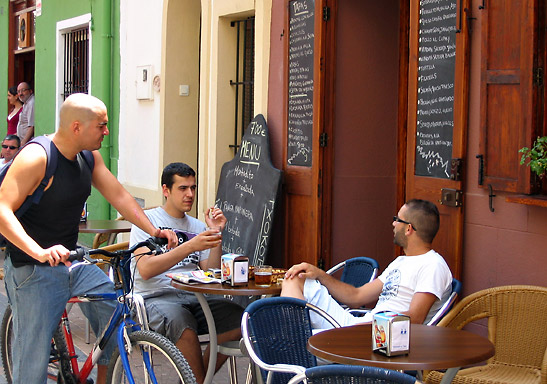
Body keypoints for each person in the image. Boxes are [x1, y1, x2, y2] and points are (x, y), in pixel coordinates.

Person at [0, 93, 177, 384]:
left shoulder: (88, 156)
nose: (107, 132)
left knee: (115, 316)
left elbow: (117, 193)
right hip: (31, 269)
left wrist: (153, 229)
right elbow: (2, 209)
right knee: (32, 362)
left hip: (72, 261)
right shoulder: (37, 157)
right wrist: (39, 251)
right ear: (76, 127)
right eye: (101, 125)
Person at [130, 162, 244, 384]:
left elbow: (210, 273)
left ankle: (197, 379)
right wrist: (189, 247)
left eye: (193, 188)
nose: (190, 194)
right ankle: (197, 380)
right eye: (183, 188)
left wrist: (214, 233)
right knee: (183, 326)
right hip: (156, 297)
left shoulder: (198, 226)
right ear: (166, 190)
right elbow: (145, 269)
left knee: (240, 319)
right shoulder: (148, 222)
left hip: (194, 296)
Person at [281, 199, 452, 329]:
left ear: (408, 229)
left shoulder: (433, 265)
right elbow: (356, 296)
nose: (393, 223)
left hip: (376, 338)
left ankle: (292, 341)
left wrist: (365, 327)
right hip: (356, 326)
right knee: (296, 278)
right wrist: (319, 274)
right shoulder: (400, 262)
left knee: (294, 346)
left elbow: (415, 318)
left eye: (397, 219)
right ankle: (291, 336)